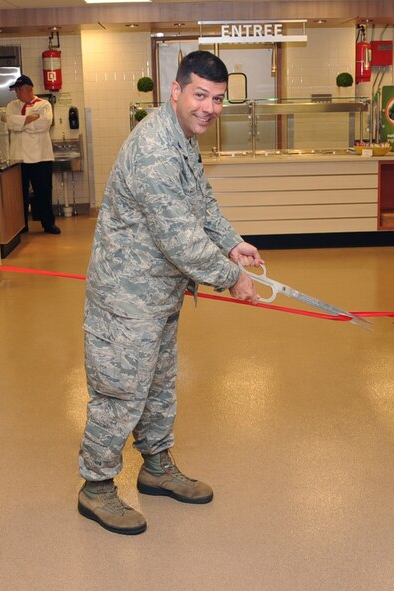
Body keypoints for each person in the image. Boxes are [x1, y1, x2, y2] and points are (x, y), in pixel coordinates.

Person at [77, 51, 263, 535]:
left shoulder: (181, 139)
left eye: (218, 99)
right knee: (120, 392)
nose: (209, 107)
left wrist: (233, 242)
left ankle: (157, 469)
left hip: (158, 294)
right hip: (127, 298)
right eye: (200, 95)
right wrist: (232, 278)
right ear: (175, 91)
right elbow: (179, 237)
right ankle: (96, 488)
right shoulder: (155, 150)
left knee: (157, 385)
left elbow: (200, 203)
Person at [5, 75, 60, 234]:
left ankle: (48, 224)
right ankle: (21, 226)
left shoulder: (44, 105)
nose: (16, 93)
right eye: (15, 90)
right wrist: (29, 120)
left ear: (28, 89)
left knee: (43, 192)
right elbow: (9, 123)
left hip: (41, 157)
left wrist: (21, 124)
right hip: (19, 157)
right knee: (19, 194)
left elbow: (44, 124)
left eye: (18, 90)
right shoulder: (12, 106)